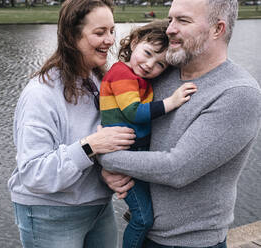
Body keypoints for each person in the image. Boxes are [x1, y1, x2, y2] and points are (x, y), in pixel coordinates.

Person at [99, 0, 261, 247]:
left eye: (182, 21)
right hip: (146, 232)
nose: (169, 29)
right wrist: (110, 172)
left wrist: (103, 156)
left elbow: (176, 169)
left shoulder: (238, 93)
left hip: (189, 243)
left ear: (217, 29)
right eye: (171, 18)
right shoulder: (162, 72)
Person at [7, 0, 136, 247]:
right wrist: (90, 146)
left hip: (98, 207)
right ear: (71, 36)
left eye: (111, 31)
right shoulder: (41, 93)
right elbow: (34, 174)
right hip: (49, 214)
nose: (109, 40)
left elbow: (104, 145)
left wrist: (106, 172)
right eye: (99, 33)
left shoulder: (100, 81)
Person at [100, 20, 197, 248]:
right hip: (126, 158)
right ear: (134, 42)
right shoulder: (122, 73)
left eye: (160, 65)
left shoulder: (137, 79)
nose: (149, 64)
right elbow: (133, 112)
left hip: (135, 156)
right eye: (147, 53)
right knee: (143, 219)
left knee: (143, 213)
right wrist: (171, 102)